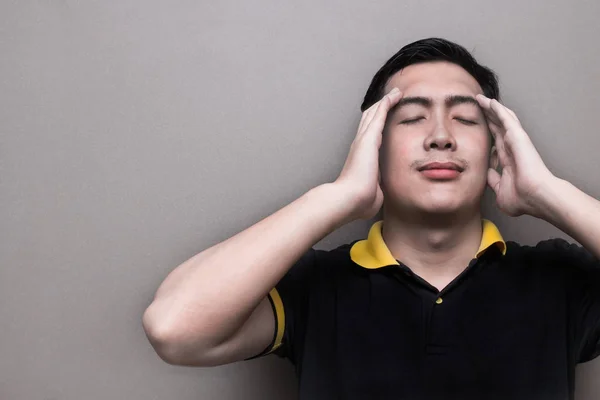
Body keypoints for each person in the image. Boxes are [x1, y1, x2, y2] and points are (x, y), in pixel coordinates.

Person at [141, 38, 600, 400]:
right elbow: (174, 328)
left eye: (464, 118)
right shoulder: (315, 288)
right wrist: (339, 197)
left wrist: (549, 193)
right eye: (411, 118)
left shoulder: (561, 280)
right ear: (373, 144)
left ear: (497, 146)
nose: (440, 136)